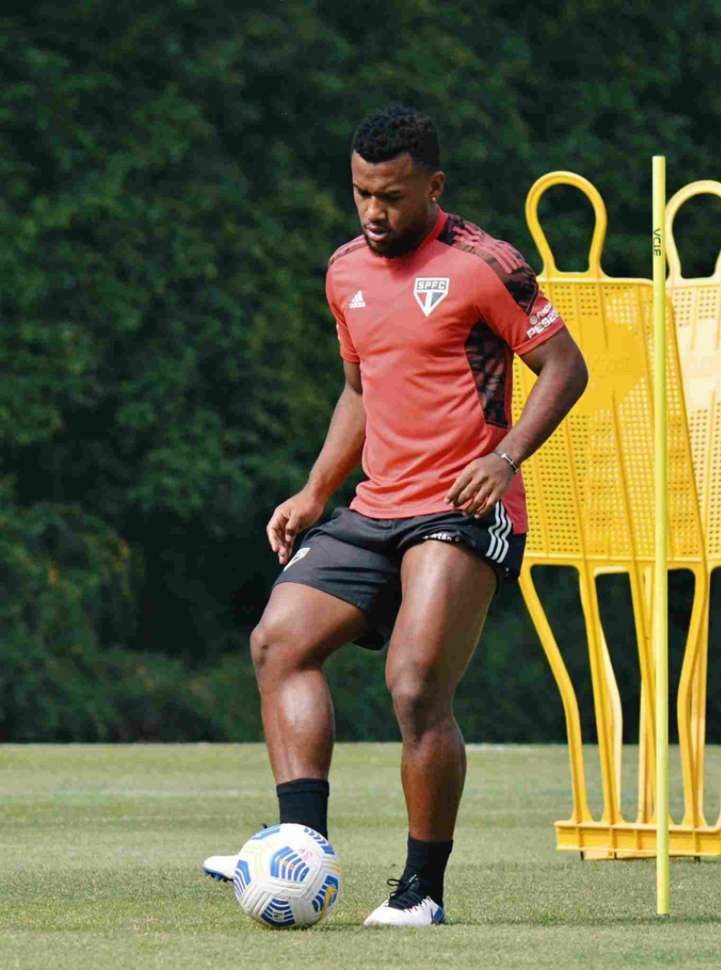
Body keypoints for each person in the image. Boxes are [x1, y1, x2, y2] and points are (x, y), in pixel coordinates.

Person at [203, 104, 587, 927]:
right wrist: (313, 493)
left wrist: (505, 456)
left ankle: (422, 891)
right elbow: (358, 389)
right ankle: (300, 850)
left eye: (392, 196)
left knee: (414, 687)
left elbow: (564, 366)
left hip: (460, 506)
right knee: (278, 641)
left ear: (433, 186)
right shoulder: (344, 270)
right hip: (374, 506)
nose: (375, 212)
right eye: (361, 194)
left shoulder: (486, 264)